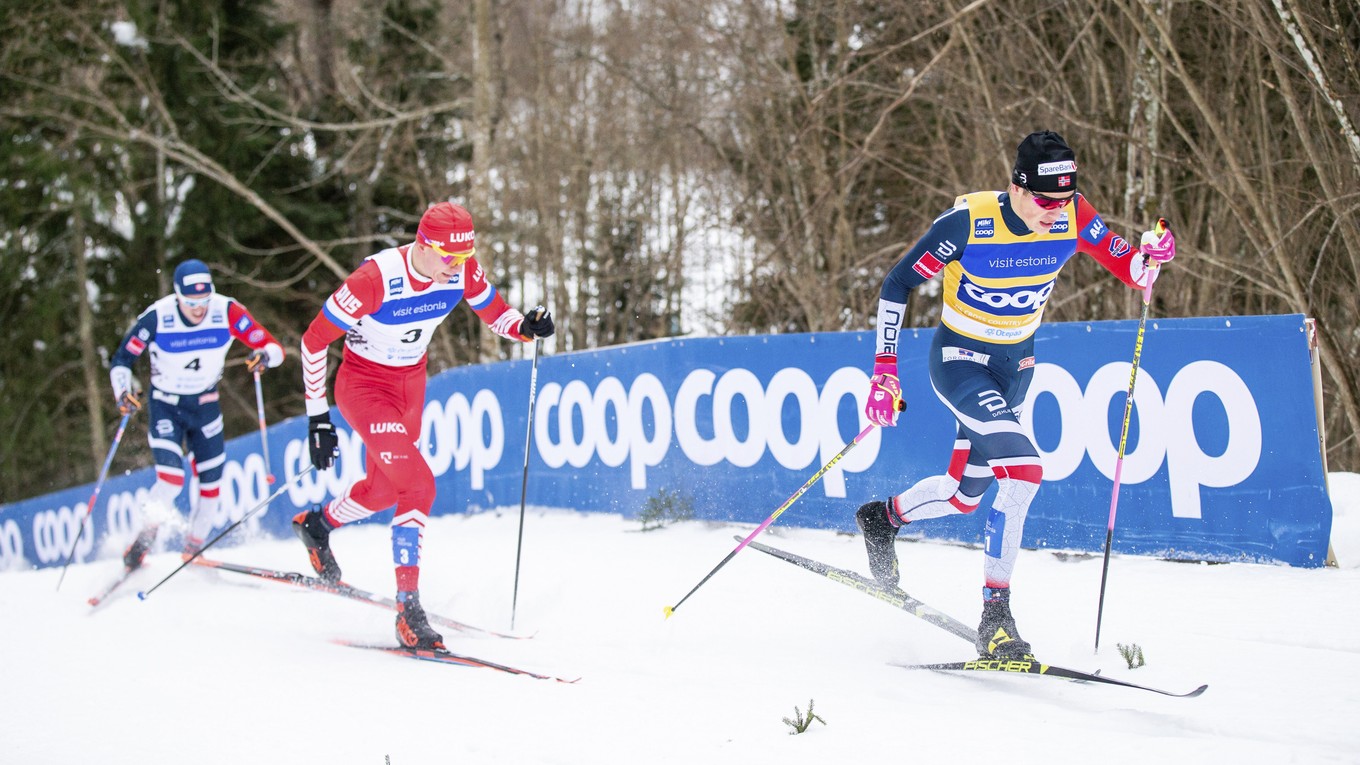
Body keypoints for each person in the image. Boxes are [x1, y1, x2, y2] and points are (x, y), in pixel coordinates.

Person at [855, 131, 1176, 659]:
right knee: (1024, 470)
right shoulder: (969, 224)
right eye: (1047, 201)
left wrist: (1153, 254)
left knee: (964, 495)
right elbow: (897, 283)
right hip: (960, 363)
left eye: (1066, 200)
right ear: (1018, 189)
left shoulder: (1074, 216)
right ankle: (996, 616)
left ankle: (882, 518)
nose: (1057, 212)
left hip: (1015, 368)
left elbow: (1134, 272)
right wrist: (884, 368)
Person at [294, 201, 555, 650]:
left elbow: (494, 312)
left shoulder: (461, 270)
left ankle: (317, 524)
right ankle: (408, 609)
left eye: (465, 258)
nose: (458, 268)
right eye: (450, 258)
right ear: (423, 245)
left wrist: (526, 328)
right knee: (418, 486)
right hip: (364, 387)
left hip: (410, 385)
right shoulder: (374, 280)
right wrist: (317, 417)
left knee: (383, 492)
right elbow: (314, 341)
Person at [110, 258, 286, 569]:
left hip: (204, 405)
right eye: (191, 302)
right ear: (177, 295)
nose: (199, 308)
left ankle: (194, 546)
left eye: (204, 300)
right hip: (166, 404)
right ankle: (142, 542)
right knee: (171, 480)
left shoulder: (226, 311)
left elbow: (273, 347)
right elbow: (122, 359)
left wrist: (264, 356)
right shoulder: (157, 318)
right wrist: (123, 391)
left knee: (212, 481)